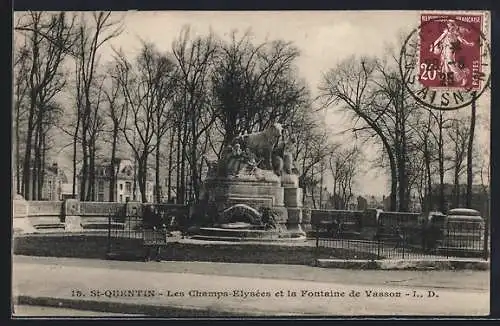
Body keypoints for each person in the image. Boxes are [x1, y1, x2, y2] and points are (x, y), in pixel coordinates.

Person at [430, 19, 475, 86]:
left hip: (450, 50)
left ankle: (463, 77)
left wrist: (468, 44)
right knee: (445, 64)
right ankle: (447, 80)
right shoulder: (446, 32)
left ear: (453, 26)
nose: (449, 27)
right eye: (448, 25)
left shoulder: (456, 33)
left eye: (450, 25)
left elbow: (462, 41)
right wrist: (433, 46)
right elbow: (439, 39)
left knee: (450, 63)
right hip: (444, 50)